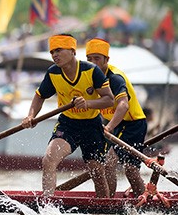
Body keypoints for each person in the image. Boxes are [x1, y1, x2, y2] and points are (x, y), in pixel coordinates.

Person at [21, 34, 114, 198]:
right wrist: (30, 116)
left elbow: (109, 100)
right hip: (67, 124)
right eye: (52, 52)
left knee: (97, 172)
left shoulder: (91, 71)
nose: (54, 55)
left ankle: (104, 208)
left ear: (72, 51)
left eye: (58, 50)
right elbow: (40, 95)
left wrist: (88, 103)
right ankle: (48, 205)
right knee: (48, 160)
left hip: (92, 125)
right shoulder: (53, 73)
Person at [86, 38, 147, 197]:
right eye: (89, 59)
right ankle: (105, 198)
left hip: (133, 124)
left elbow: (123, 106)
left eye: (97, 59)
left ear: (107, 60)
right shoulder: (89, 76)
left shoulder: (115, 78)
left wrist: (109, 128)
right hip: (114, 125)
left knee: (127, 169)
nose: (93, 63)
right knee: (100, 164)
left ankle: (111, 204)